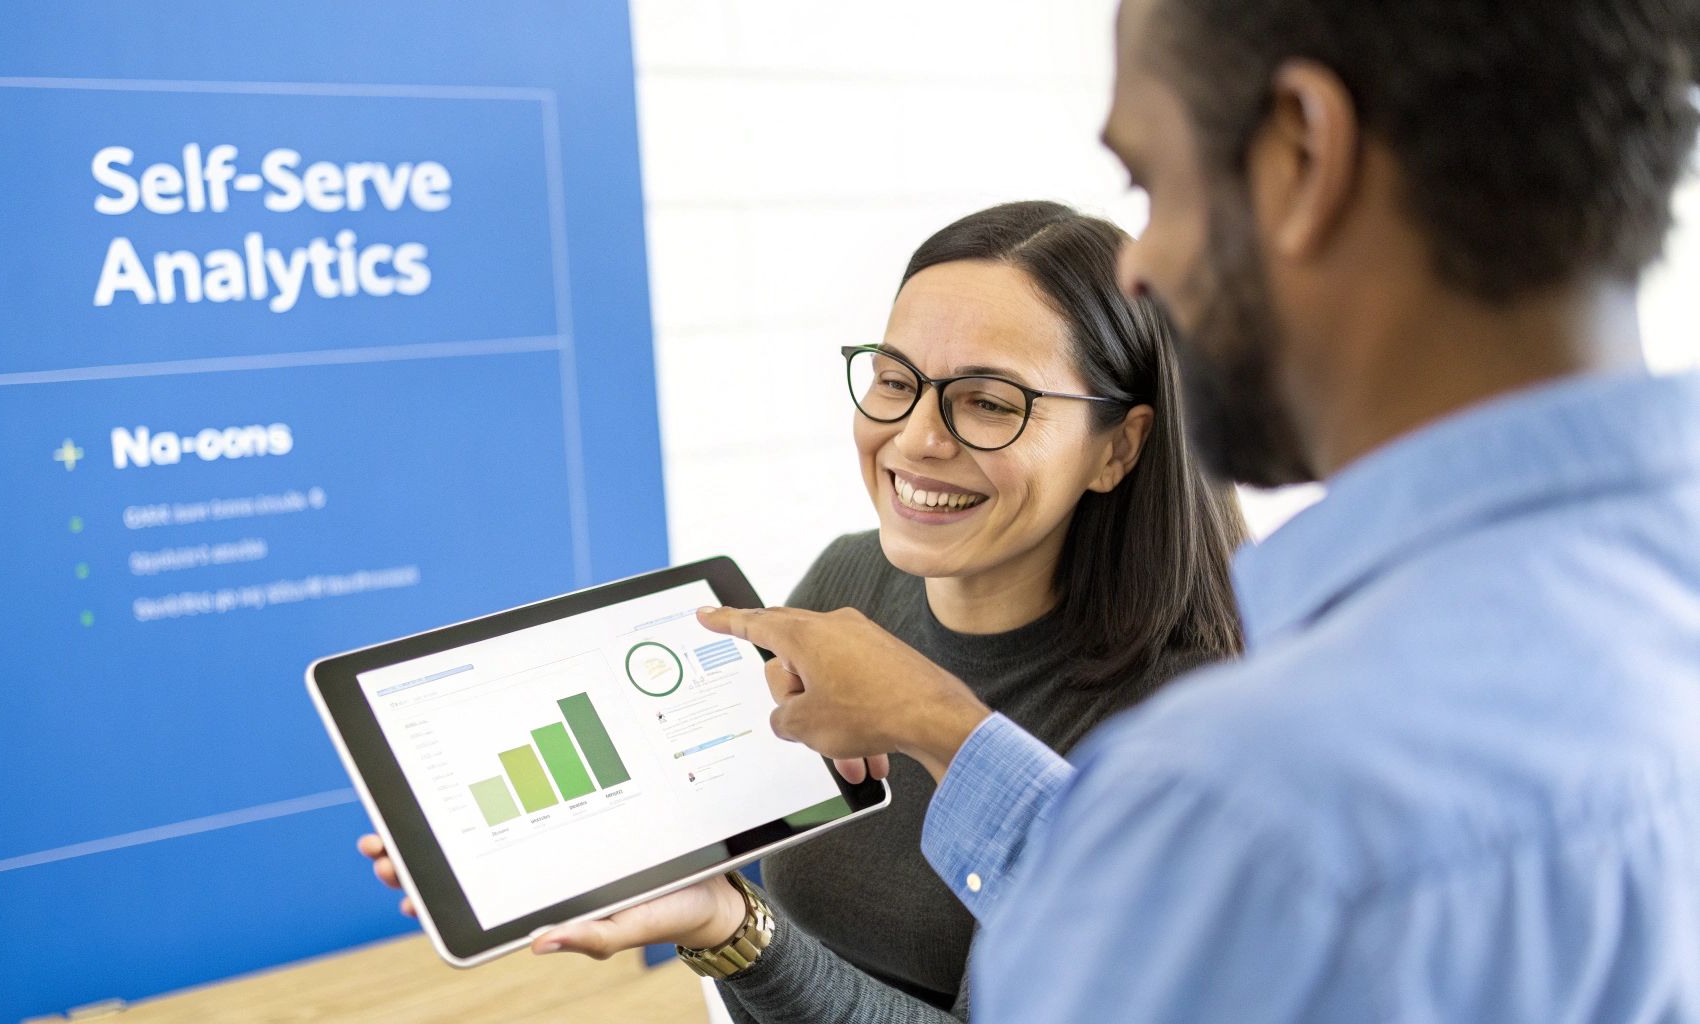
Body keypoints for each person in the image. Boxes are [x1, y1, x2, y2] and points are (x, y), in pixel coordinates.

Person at [696, 0, 1700, 1019]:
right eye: (894, 381)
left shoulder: (1233, 792)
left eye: (1153, 184)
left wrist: (748, 927)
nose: (1141, 271)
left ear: (1303, 154)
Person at [362, 201, 1248, 1020]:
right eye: (895, 380)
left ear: (1117, 448)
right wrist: (539, 849)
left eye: (988, 402)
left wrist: (733, 931)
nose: (916, 439)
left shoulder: (1187, 720)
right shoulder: (849, 581)